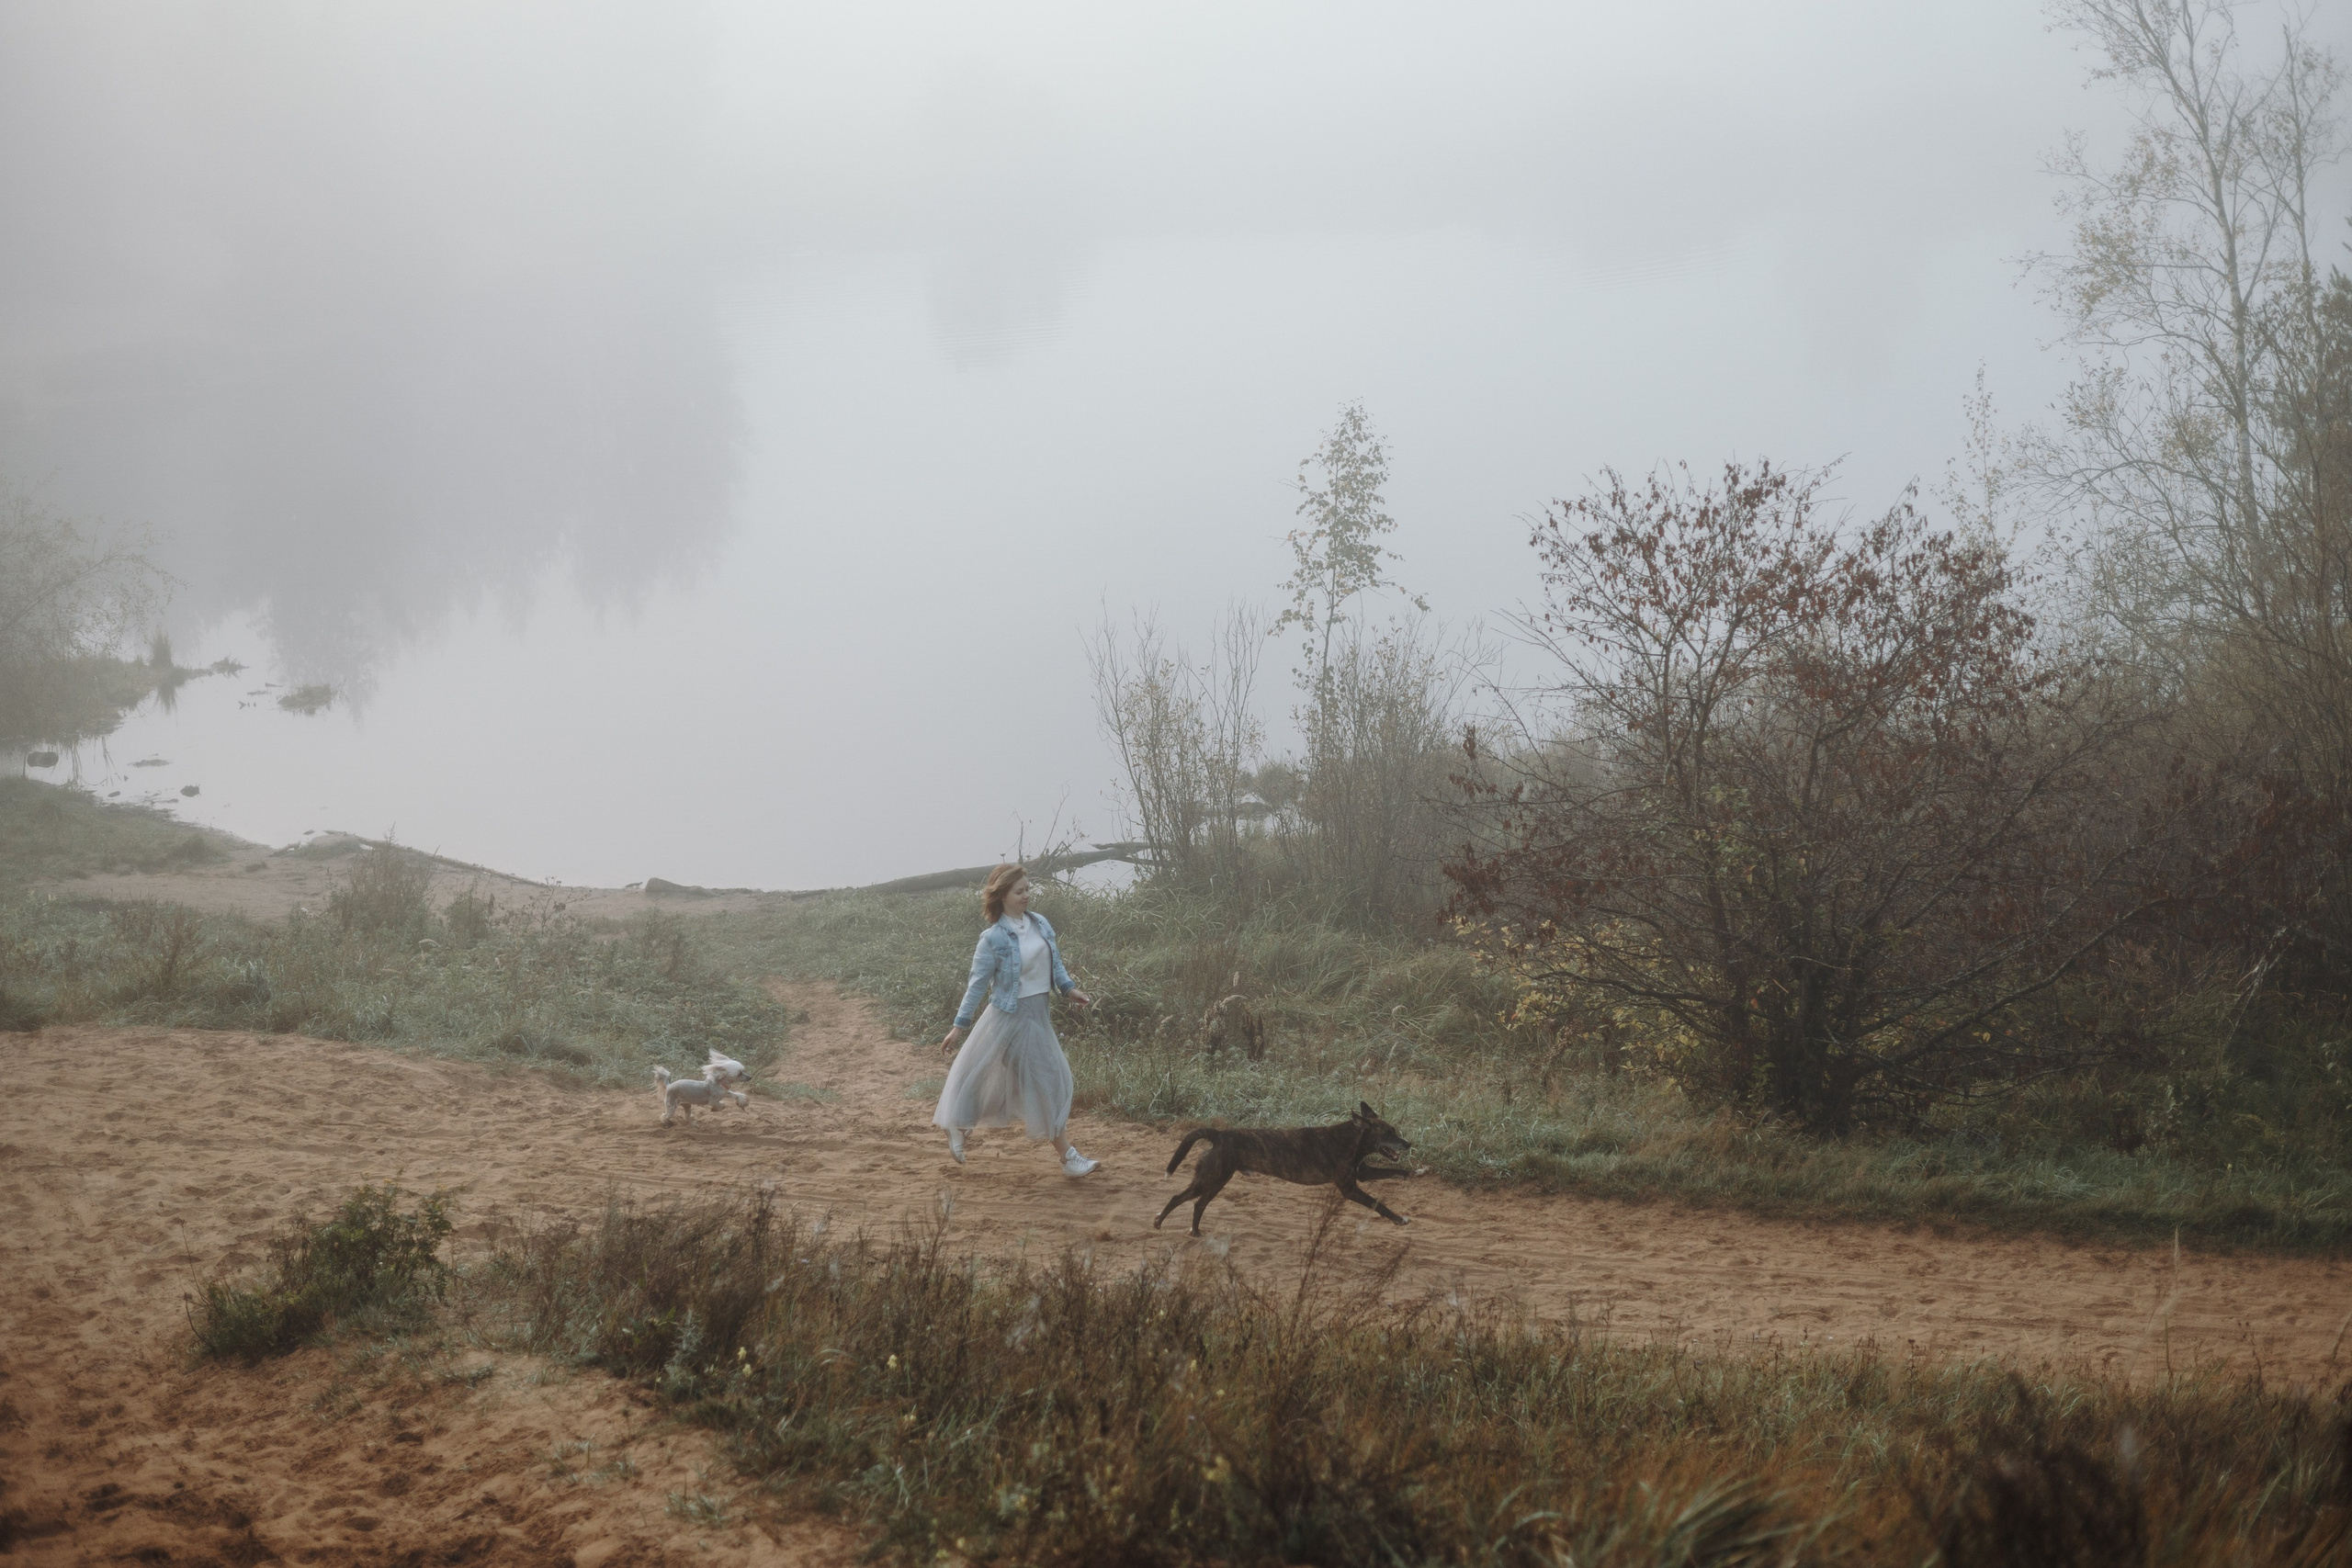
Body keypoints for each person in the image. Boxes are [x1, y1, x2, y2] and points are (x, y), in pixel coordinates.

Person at [933, 863, 1098, 1175]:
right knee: (1049, 1081)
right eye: (1019, 891)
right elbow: (977, 985)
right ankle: (1068, 1158)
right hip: (1011, 1016)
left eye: (1028, 889)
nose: (1026, 896)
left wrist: (1069, 989)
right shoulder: (992, 938)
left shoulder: (1040, 923)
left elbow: (1055, 963)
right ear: (1002, 895)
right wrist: (958, 1026)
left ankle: (959, 1125)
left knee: (1006, 1084)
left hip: (1039, 1014)